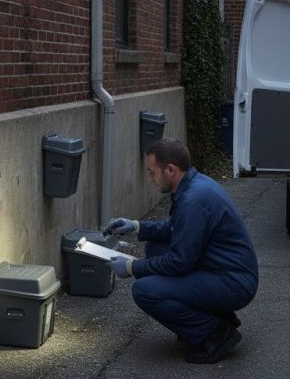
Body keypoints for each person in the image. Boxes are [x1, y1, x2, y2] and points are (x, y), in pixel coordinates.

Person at [105, 138, 258, 364]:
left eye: (152, 172)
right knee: (156, 247)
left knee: (145, 290)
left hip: (233, 283)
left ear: (170, 170)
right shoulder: (195, 185)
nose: (151, 179)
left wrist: (131, 266)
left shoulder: (193, 201)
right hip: (225, 272)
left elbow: (179, 262)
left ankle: (216, 333)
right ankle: (216, 316)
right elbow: (176, 228)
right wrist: (136, 226)